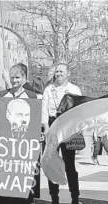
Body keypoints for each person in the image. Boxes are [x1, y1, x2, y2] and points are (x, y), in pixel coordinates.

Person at [0, 63, 37, 204]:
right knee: (4, 175)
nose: (15, 80)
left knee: (22, 174)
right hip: (3, 145)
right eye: (12, 77)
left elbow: (35, 120)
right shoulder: (2, 95)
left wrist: (38, 135)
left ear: (25, 78)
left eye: (18, 77)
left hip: (23, 146)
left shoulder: (31, 96)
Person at [41, 62, 82, 204]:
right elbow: (44, 111)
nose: (58, 74)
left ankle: (75, 197)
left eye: (61, 72)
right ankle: (54, 198)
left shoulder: (74, 89)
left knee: (70, 165)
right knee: (52, 164)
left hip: (68, 126)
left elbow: (79, 110)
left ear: (68, 73)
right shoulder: (48, 90)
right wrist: (46, 128)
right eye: (57, 71)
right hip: (52, 126)